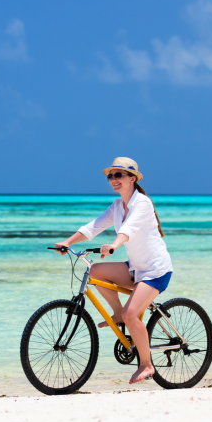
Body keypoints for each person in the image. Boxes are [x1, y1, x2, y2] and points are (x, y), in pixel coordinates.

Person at [54, 157, 172, 384]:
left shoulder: (143, 203)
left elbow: (129, 229)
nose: (113, 180)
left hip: (155, 271)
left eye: (119, 175)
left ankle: (147, 365)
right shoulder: (118, 206)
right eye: (110, 176)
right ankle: (117, 314)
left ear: (132, 178)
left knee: (132, 315)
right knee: (96, 271)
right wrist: (68, 242)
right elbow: (94, 226)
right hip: (135, 269)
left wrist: (114, 246)